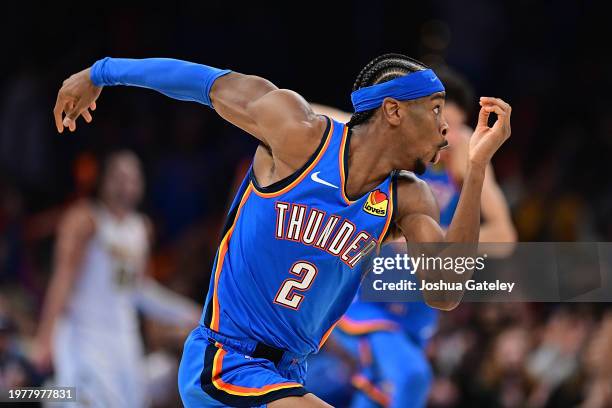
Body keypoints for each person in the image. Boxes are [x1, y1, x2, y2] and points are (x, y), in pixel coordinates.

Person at [53, 53, 511, 407]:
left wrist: (476, 170)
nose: (447, 131)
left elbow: (446, 291)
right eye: (434, 111)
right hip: (224, 358)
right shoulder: (298, 134)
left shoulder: (409, 199)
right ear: (393, 111)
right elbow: (202, 81)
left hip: (287, 375)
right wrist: (101, 72)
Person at [311, 67, 516, 408]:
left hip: (417, 314)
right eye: (435, 125)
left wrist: (436, 240)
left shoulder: (466, 156)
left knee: (384, 394)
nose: (442, 139)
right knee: (411, 376)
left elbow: (505, 236)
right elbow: (318, 117)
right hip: (365, 301)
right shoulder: (389, 140)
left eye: (452, 129)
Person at [33, 151, 200, 407]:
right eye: (118, 177)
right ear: (104, 180)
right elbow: (62, 279)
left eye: (132, 178)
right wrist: (45, 337)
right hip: (84, 334)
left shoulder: (141, 228)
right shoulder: (84, 219)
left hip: (123, 337)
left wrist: (189, 313)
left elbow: (140, 290)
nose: (125, 185)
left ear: (141, 184)